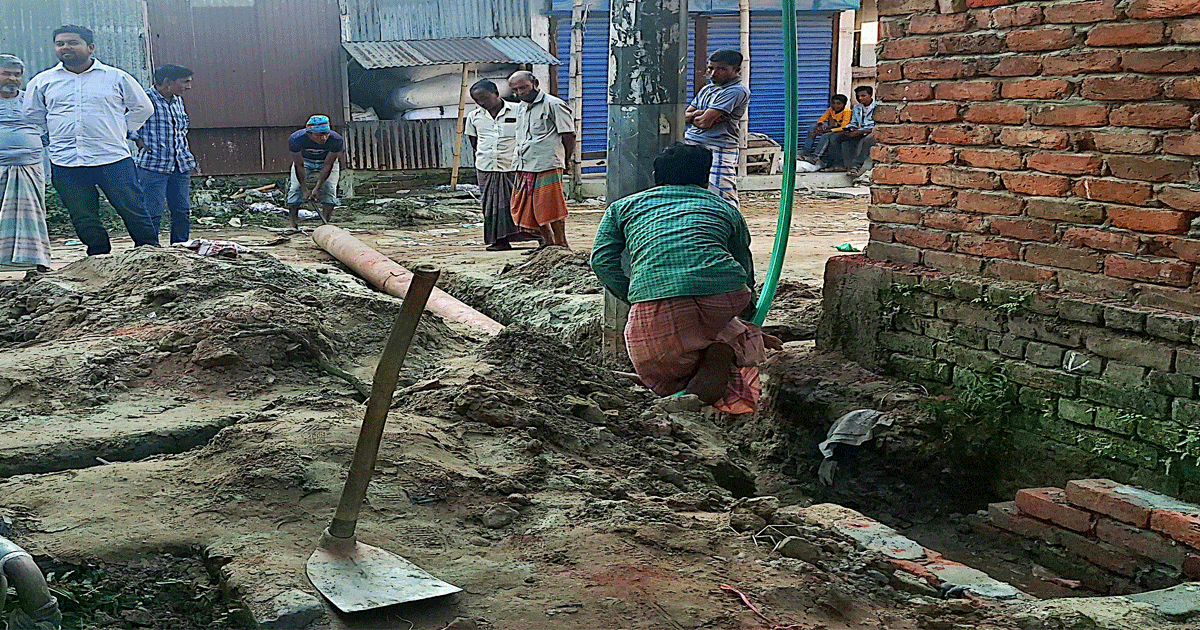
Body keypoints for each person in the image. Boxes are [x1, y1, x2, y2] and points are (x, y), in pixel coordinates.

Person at [590, 143, 779, 415]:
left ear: (655, 175)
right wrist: (746, 314)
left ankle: (689, 399)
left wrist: (636, 294)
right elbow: (744, 266)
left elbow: (602, 262)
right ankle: (719, 364)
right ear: (705, 177)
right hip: (725, 293)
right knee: (732, 335)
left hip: (656, 298)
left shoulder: (622, 208)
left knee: (660, 366)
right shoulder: (724, 207)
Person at [24, 24, 158, 256]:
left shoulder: (116, 77)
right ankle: (98, 257)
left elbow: (143, 108)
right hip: (66, 162)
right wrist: (53, 133)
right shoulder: (43, 81)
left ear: (90, 47)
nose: (66, 47)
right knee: (83, 216)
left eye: (73, 43)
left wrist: (122, 129)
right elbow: (33, 114)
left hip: (112, 158)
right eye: (60, 44)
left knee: (133, 208)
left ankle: (150, 254)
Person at [464, 79, 538, 252]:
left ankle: (539, 237)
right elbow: (474, 141)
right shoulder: (474, 117)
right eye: (476, 100)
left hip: (514, 166)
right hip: (486, 167)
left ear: (496, 94)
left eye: (484, 98)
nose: (481, 103)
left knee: (523, 204)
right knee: (490, 206)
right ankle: (499, 241)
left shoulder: (520, 111)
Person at [508, 70, 574, 250]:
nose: (520, 93)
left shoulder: (554, 105)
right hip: (524, 163)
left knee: (551, 207)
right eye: (516, 90)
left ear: (535, 83)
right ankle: (548, 244)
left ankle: (561, 243)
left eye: (523, 88)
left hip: (547, 164)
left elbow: (568, 135)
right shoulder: (521, 107)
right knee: (529, 207)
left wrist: (566, 161)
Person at [131, 64, 196, 245]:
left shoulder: (177, 100)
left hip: (180, 165)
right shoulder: (143, 99)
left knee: (181, 211)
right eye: (185, 82)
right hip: (153, 166)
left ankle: (180, 248)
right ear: (168, 82)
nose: (188, 87)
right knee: (152, 211)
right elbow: (122, 122)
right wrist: (136, 138)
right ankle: (148, 249)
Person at [0, 54, 51, 271]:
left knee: (31, 215)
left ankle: (35, 261)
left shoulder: (30, 100)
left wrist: (36, 144)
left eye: (17, 75)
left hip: (30, 168)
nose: (12, 79)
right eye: (6, 74)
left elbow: (51, 124)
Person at [685, 49, 750, 208]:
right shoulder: (707, 89)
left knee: (721, 193)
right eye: (710, 68)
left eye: (721, 69)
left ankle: (731, 225)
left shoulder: (736, 91)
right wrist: (702, 114)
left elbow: (704, 123)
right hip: (692, 144)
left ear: (736, 70)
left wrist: (699, 116)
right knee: (691, 191)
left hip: (719, 147)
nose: (713, 73)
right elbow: (684, 118)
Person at [286, 114, 343, 229]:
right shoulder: (296, 139)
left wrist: (317, 188)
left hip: (325, 161)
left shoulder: (336, 140)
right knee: (295, 189)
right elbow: (299, 165)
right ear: (309, 134)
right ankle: (293, 224)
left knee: (330, 189)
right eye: (319, 135)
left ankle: (325, 225)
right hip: (305, 161)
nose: (324, 138)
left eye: (326, 134)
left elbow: (328, 165)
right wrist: (304, 189)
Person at [825, 85, 876, 178]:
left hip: (871, 132)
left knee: (867, 140)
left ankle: (856, 166)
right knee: (835, 137)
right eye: (857, 96)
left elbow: (877, 126)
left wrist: (860, 132)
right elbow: (853, 122)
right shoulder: (857, 108)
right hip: (859, 130)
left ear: (870, 95)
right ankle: (839, 165)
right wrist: (849, 129)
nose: (860, 98)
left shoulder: (877, 107)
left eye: (863, 96)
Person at [802, 94, 851, 161]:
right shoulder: (831, 109)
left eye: (838, 104)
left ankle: (816, 156)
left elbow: (844, 127)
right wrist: (820, 125)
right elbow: (822, 118)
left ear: (844, 104)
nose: (835, 106)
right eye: (833, 103)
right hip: (835, 128)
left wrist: (828, 131)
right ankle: (806, 151)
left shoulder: (847, 112)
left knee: (826, 135)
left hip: (844, 130)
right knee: (813, 127)